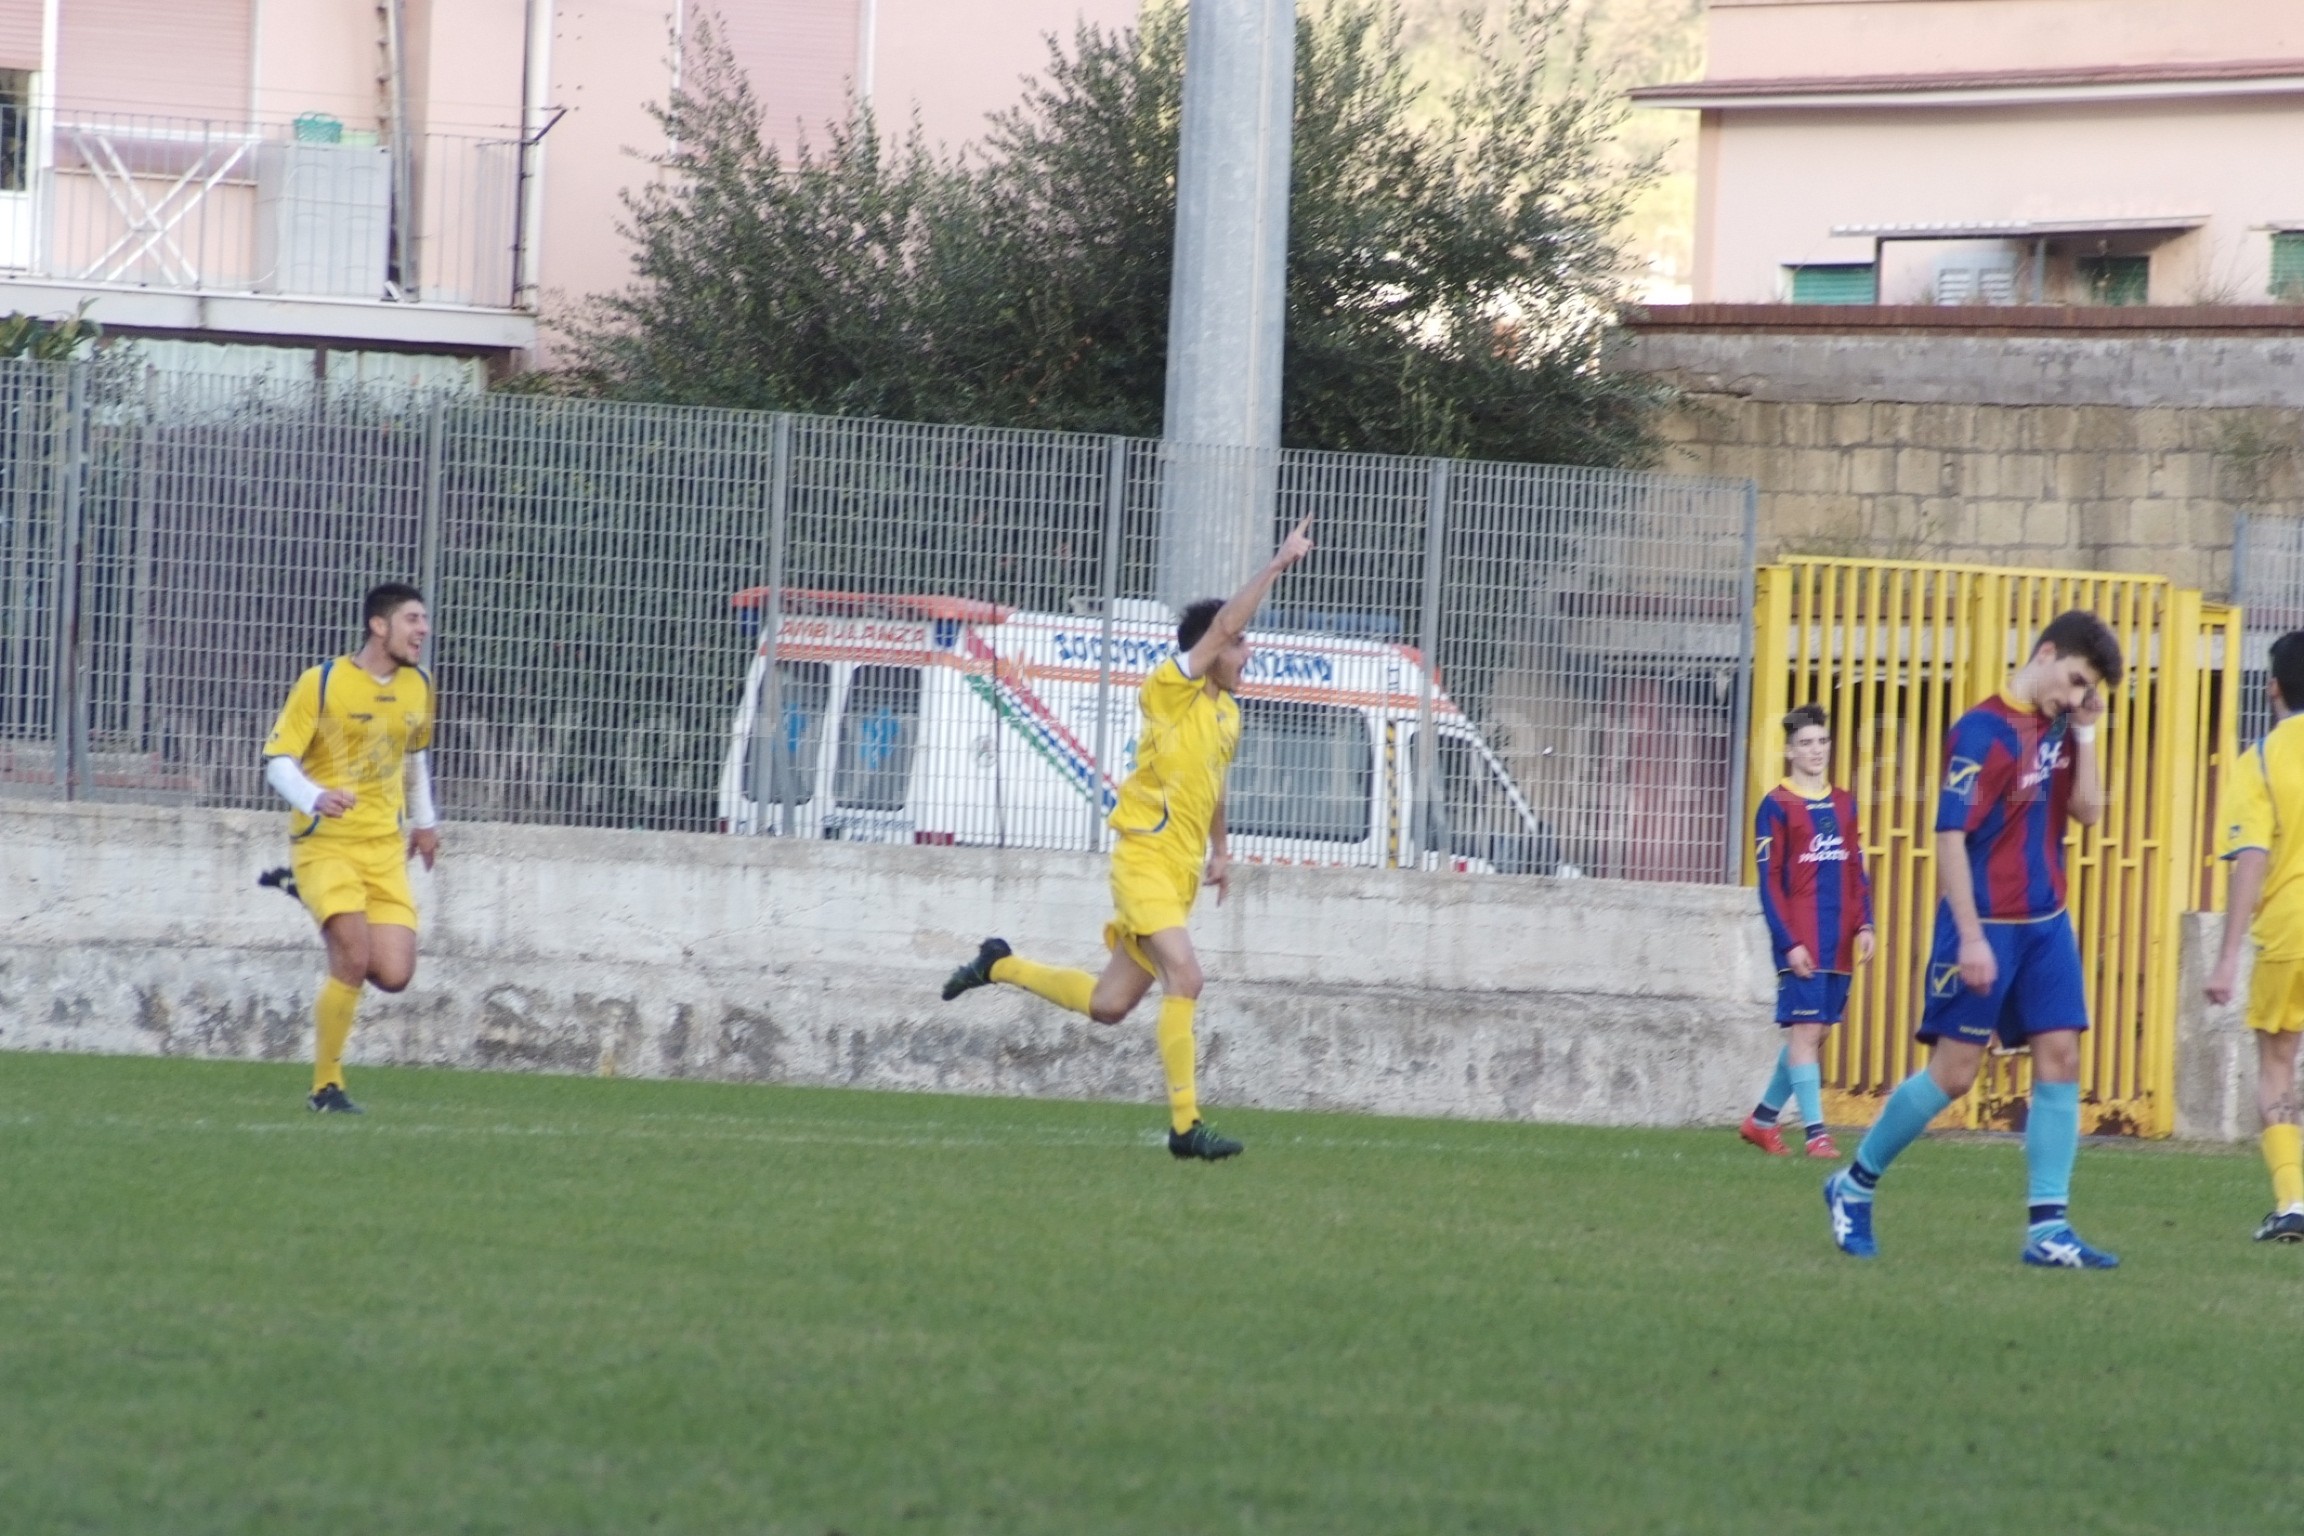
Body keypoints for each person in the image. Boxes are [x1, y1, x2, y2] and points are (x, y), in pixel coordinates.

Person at [939, 519, 1317, 1160]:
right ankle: (1185, 1126)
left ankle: (997, 962)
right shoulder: (1171, 688)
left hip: (1180, 873)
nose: (1247, 652)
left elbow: (1213, 782)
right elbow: (1223, 624)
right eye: (1240, 643)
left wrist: (1221, 852)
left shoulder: (1228, 712)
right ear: (1210, 649)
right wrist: (1278, 563)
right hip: (1143, 858)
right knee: (1188, 978)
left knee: (1109, 1005)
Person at [1823, 610, 2123, 1266]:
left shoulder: (2064, 729)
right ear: (2045, 653)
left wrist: (2090, 733)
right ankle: (1853, 1184)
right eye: (2073, 681)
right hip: (1984, 924)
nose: (2074, 698)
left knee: (2062, 1057)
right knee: (1955, 1075)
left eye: (2086, 690)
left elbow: (2090, 811)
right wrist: (1969, 937)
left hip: (2046, 923)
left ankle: (2048, 1231)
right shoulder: (1981, 731)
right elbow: (1948, 835)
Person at [260, 582, 439, 1114]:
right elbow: (277, 760)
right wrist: (314, 797)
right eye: (412, 619)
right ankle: (326, 1087)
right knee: (353, 957)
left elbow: (415, 760)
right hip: (327, 847)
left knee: (394, 974)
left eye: (423, 620)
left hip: (383, 851)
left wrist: (426, 824)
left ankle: (307, 898)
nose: (422, 630)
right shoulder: (322, 683)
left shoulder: (419, 686)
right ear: (378, 626)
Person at [1740, 704, 1873, 1160]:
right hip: (1801, 938)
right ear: (1789, 751)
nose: (1816, 751)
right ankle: (1818, 1133)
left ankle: (1761, 1122)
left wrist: (1866, 921)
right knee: (1806, 1032)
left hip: (1837, 939)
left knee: (1813, 1035)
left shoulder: (1844, 802)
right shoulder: (1776, 806)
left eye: (1822, 742)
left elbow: (1856, 866)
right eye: (1807, 744)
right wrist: (1788, 942)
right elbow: (1769, 882)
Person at [2205, 629, 2304, 1243]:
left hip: (2291, 931)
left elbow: (2252, 856)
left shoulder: (2263, 757)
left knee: (2277, 1065)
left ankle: (2294, 1201)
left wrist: (2226, 955)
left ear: (2272, 689)